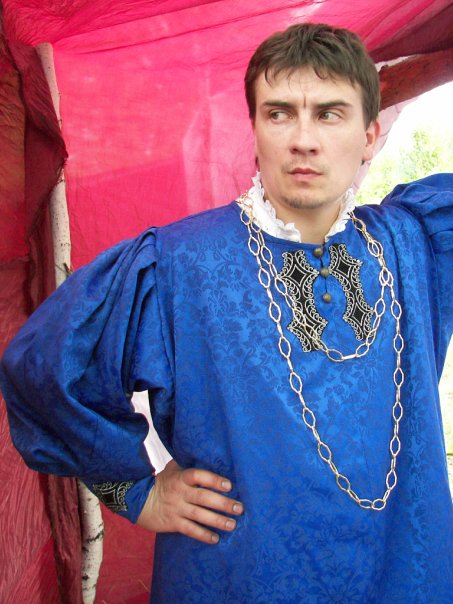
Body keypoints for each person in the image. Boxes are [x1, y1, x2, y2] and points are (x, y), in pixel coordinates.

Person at [1, 22, 452, 603]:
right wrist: (136, 493)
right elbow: (44, 370)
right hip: (239, 577)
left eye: (330, 114)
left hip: (405, 573)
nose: (304, 140)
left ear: (370, 136)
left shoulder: (416, 241)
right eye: (280, 113)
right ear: (255, 128)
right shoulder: (179, 263)